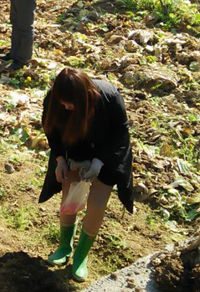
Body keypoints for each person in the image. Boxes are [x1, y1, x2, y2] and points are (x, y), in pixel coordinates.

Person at [38, 68, 133, 282]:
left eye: (71, 104)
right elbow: (51, 129)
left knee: (97, 204)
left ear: (85, 97)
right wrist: (60, 160)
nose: (66, 107)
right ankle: (64, 246)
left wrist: (99, 162)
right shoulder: (54, 98)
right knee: (69, 197)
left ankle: (81, 255)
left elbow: (120, 135)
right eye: (63, 103)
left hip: (108, 152)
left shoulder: (110, 98)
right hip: (76, 148)